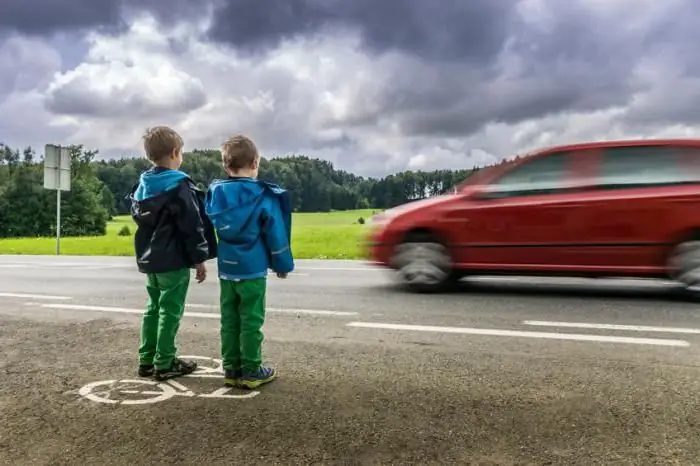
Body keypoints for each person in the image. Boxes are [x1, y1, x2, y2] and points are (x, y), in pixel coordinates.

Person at [205, 135, 294, 389]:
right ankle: (252, 369)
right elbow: (275, 233)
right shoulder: (263, 195)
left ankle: (231, 368)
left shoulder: (216, 194)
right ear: (256, 162)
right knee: (251, 320)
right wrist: (282, 265)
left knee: (229, 320)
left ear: (225, 165)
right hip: (252, 270)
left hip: (226, 270)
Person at [129, 126, 217, 381]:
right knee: (170, 310)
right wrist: (199, 258)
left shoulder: (142, 186)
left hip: (150, 259)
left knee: (153, 308)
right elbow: (192, 225)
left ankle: (146, 359)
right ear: (176, 152)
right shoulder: (179, 186)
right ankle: (165, 362)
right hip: (174, 260)